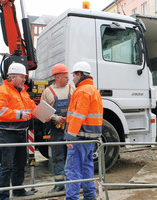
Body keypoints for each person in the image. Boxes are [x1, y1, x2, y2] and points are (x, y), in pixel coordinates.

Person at [0, 63, 36, 200]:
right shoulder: (2, 91)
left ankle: (18, 190)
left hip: (20, 132)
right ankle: (3, 196)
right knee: (7, 166)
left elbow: (32, 108)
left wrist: (46, 114)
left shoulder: (23, 92)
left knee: (20, 163)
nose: (24, 80)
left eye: (24, 77)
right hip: (6, 133)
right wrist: (18, 114)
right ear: (11, 77)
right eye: (22, 77)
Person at [64, 61, 103, 200]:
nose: (72, 78)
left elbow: (78, 115)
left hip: (79, 137)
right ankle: (89, 196)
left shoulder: (82, 91)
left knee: (73, 171)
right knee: (87, 168)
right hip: (90, 138)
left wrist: (70, 136)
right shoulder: (93, 90)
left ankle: (72, 198)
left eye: (74, 75)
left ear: (80, 75)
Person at [41, 63, 75, 193]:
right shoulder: (48, 92)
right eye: (65, 77)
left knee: (72, 157)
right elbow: (43, 112)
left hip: (71, 129)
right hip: (56, 130)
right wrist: (56, 118)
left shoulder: (72, 89)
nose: (68, 79)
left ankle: (73, 183)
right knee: (58, 157)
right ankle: (59, 184)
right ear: (58, 77)